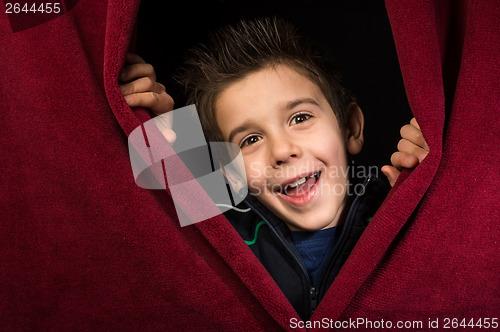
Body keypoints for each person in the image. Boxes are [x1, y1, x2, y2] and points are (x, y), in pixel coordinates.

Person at [119, 18, 429, 320]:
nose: (281, 150)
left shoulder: (404, 212)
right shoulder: (221, 230)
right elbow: (155, 196)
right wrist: (146, 117)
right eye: (250, 139)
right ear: (229, 172)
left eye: (300, 118)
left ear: (350, 128)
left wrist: (437, 179)